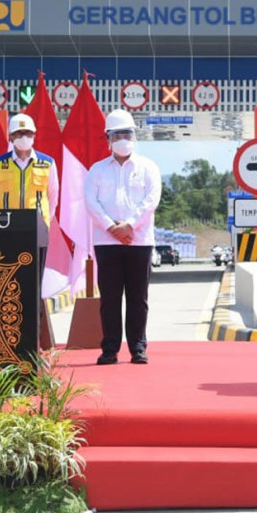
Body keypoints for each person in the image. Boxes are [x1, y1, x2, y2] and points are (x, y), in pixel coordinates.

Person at [84, 109, 162, 365]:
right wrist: (111, 227)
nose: (122, 140)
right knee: (110, 298)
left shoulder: (148, 167)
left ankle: (138, 348)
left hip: (139, 241)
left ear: (134, 136)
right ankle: (110, 349)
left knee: (138, 297)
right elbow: (91, 201)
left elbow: (151, 200)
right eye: (117, 135)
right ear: (108, 138)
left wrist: (129, 225)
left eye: (127, 134)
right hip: (106, 241)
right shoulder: (97, 170)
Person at [0, 113, 59, 227]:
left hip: (37, 226)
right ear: (11, 136)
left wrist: (44, 221)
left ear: (34, 135)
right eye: (19, 133)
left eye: (28, 133)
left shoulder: (47, 163)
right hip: (7, 226)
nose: (24, 137)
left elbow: (53, 196)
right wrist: (0, 222)